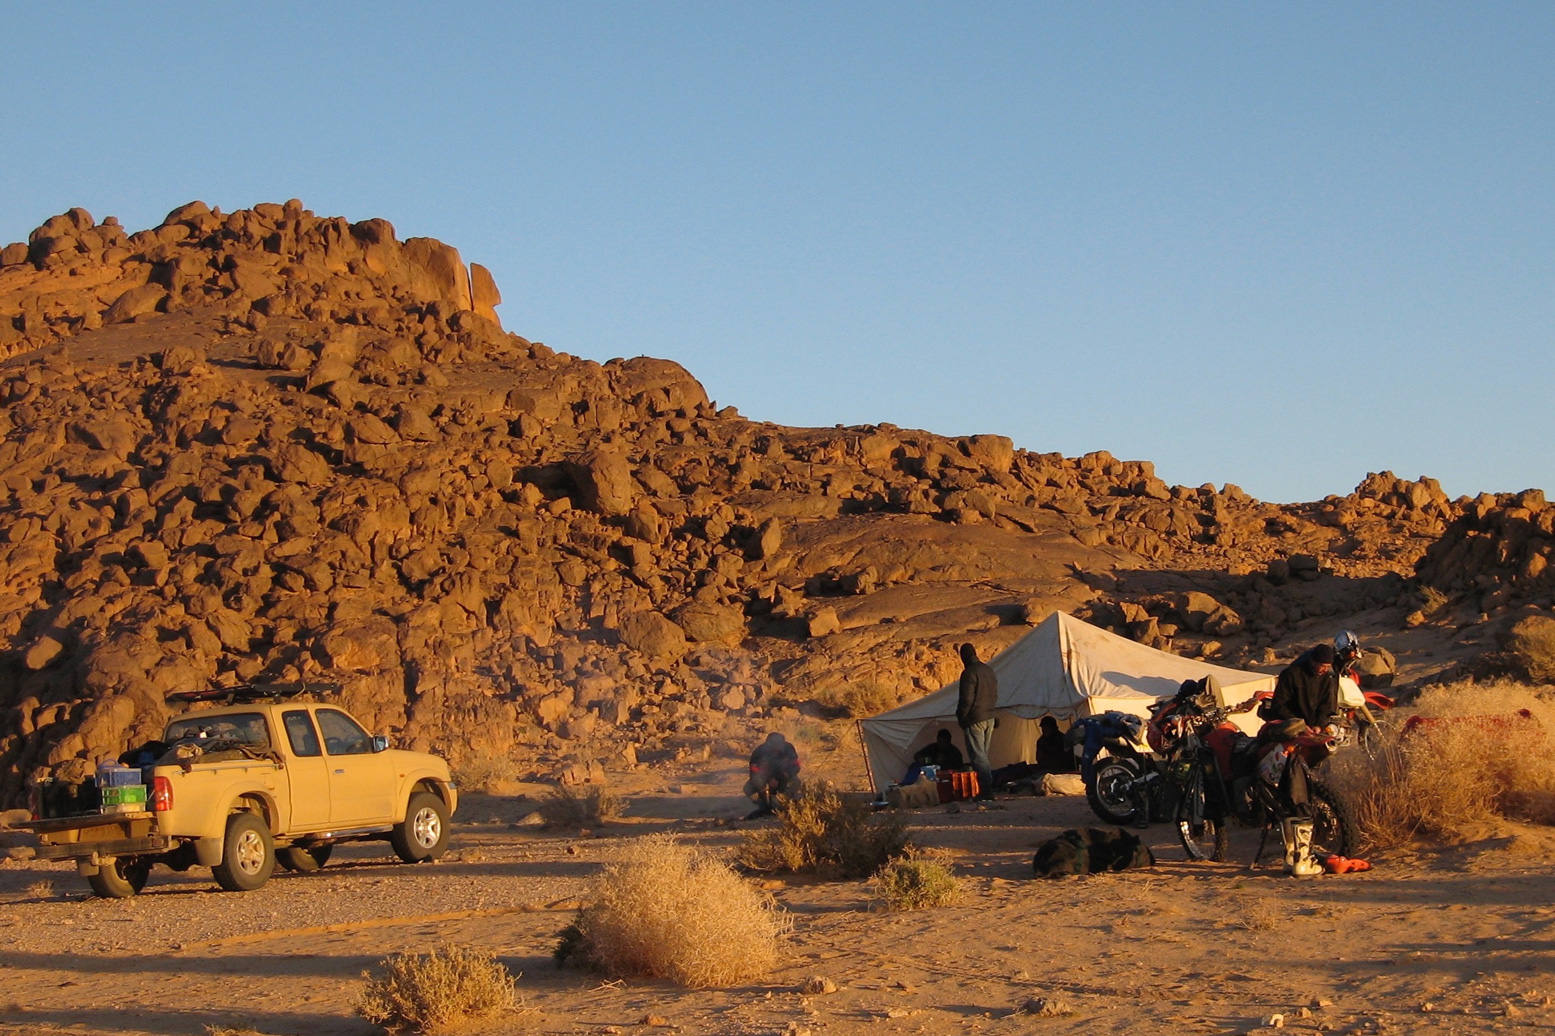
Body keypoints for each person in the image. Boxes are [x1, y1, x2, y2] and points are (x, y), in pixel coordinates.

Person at [1268, 643, 1340, 737]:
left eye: (1328, 667)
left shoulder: (1327, 677)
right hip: (1290, 729)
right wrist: (1300, 725)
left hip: (1314, 730)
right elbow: (1279, 705)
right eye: (1323, 666)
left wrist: (1319, 725)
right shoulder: (1291, 674)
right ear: (1313, 661)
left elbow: (1327, 704)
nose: (1325, 670)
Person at [956, 643, 998, 800]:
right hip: (989, 717)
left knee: (978, 757)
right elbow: (994, 694)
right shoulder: (989, 670)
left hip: (975, 719)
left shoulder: (969, 673)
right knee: (983, 756)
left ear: (963, 657)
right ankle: (986, 789)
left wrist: (962, 717)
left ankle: (986, 791)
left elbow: (966, 699)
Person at [744, 732, 801, 819]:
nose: (777, 749)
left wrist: (781, 776)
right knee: (748, 789)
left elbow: (795, 766)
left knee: (795, 782)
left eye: (779, 746)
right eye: (775, 747)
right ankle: (764, 806)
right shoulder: (758, 753)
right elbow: (754, 774)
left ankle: (785, 802)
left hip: (784, 776)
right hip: (765, 778)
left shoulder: (789, 749)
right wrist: (764, 784)